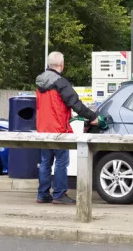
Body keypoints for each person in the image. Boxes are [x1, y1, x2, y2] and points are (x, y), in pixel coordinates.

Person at [35, 51, 98, 205]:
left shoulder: (39, 81)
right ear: (61, 65)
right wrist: (92, 117)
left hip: (43, 129)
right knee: (61, 162)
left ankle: (42, 194)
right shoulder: (61, 83)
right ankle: (59, 194)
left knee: (45, 162)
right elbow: (75, 103)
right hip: (58, 130)